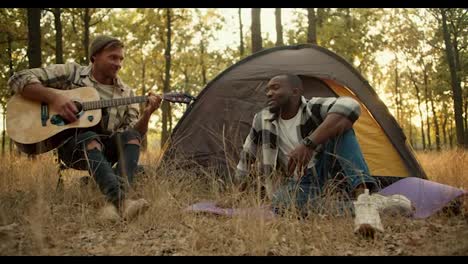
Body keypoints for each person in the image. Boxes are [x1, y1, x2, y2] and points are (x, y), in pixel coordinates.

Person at [8, 35, 162, 221]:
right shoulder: (72, 73)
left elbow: (133, 133)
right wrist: (54, 99)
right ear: (94, 57)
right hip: (73, 148)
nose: (119, 63)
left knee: (131, 136)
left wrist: (147, 114)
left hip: (106, 150)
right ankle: (121, 201)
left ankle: (111, 205)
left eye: (121, 59)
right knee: (89, 136)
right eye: (113, 57)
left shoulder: (127, 93)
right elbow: (19, 78)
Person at [234, 74, 379, 217]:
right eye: (267, 90)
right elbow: (247, 156)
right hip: (300, 182)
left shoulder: (312, 107)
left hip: (329, 172)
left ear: (295, 92)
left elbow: (350, 105)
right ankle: (375, 206)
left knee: (342, 126)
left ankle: (363, 196)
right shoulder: (262, 119)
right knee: (281, 203)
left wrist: (309, 144)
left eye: (275, 88)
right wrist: (236, 194)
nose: (269, 94)